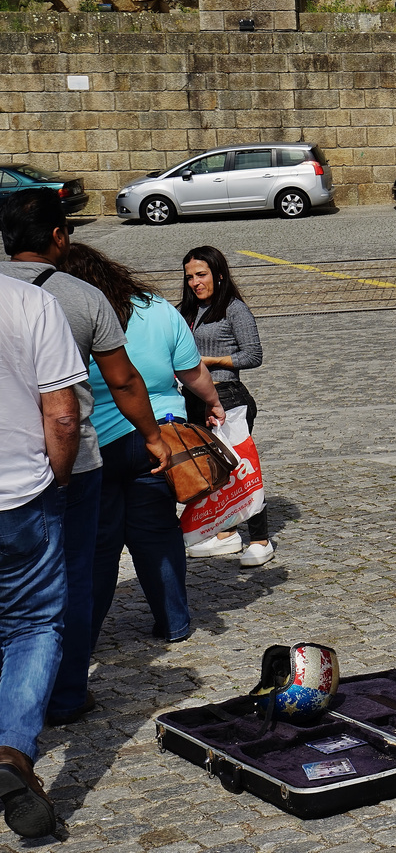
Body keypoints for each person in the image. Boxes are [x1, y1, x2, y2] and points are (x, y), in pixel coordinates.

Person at [0, 190, 168, 727]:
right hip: (73, 465)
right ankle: (67, 694)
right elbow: (122, 380)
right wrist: (154, 437)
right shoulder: (82, 296)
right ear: (58, 236)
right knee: (73, 577)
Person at [59, 243, 224, 646]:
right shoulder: (157, 307)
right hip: (160, 437)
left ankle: (84, 638)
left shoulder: (69, 312)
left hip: (97, 444)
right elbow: (191, 370)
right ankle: (174, 622)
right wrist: (214, 401)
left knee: (100, 544)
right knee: (158, 534)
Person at [0, 271, 86, 839]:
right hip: (19, 494)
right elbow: (61, 414)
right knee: (32, 626)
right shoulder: (30, 302)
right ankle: (10, 754)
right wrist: (57, 480)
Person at [177, 247, 272, 566]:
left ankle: (260, 539)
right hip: (193, 399)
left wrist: (209, 361)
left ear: (218, 275)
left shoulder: (234, 309)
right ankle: (225, 534)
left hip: (227, 395)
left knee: (241, 468)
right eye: (189, 276)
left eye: (201, 275)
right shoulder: (187, 312)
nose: (194, 282)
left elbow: (253, 355)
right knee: (210, 470)